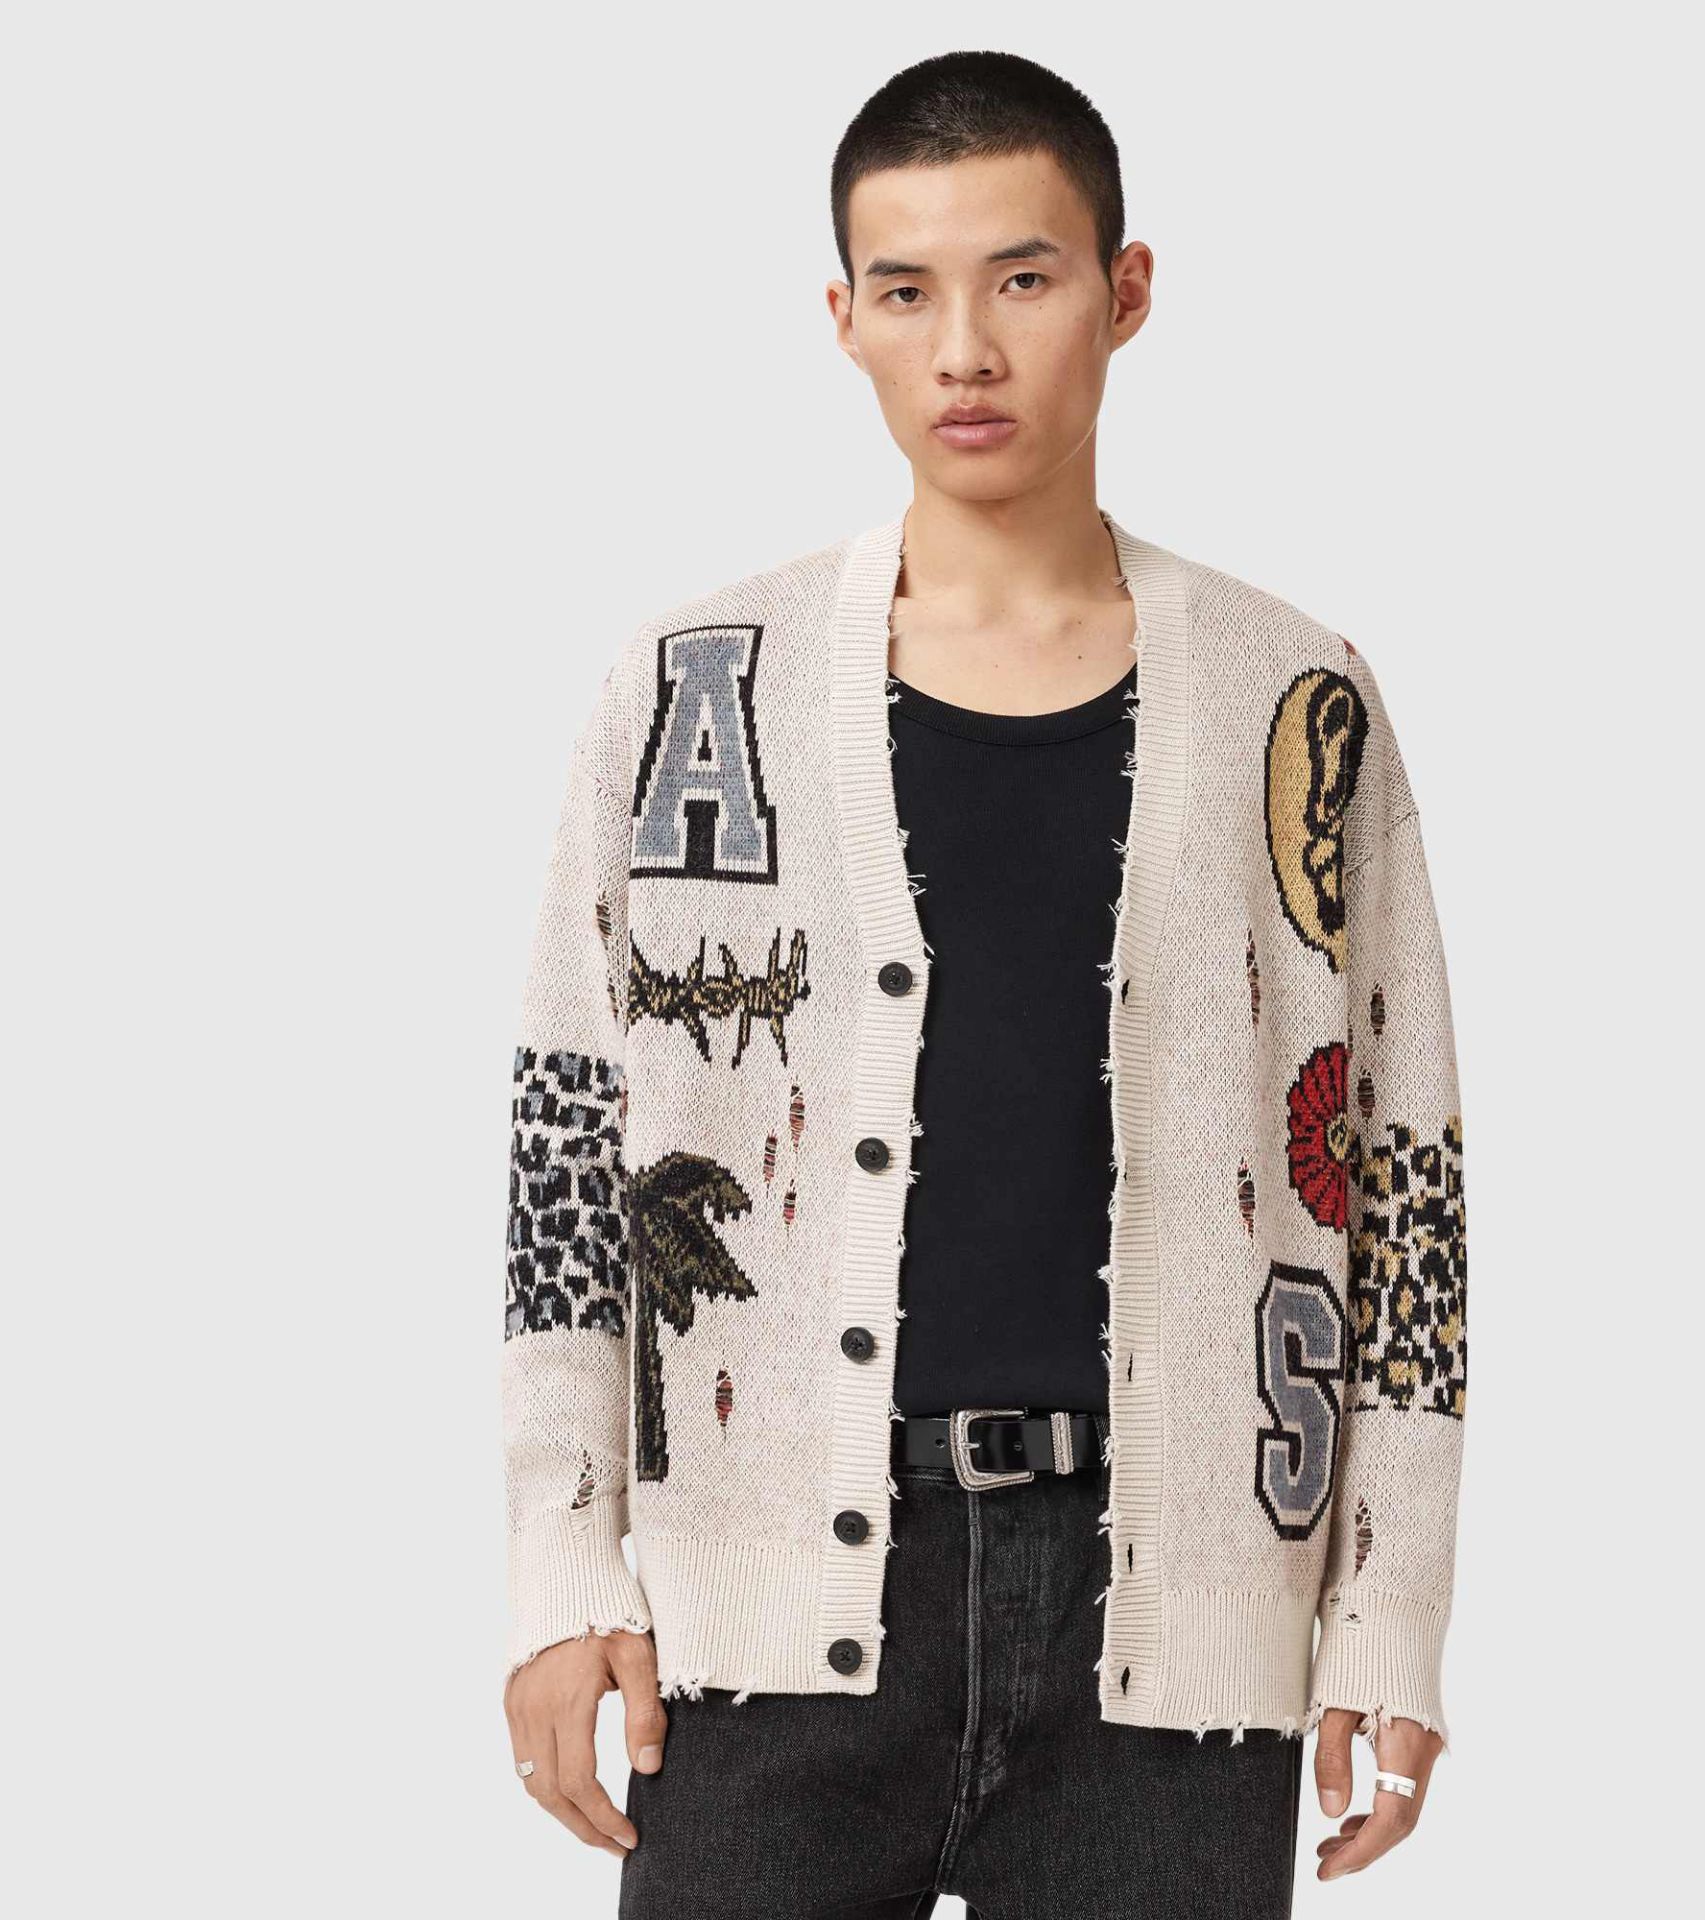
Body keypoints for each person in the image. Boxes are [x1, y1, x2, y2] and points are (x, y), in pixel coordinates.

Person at [499, 48, 1468, 1919]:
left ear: (1125, 291)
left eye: (1023, 279)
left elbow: (1407, 1179)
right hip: (758, 1624)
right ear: (843, 319)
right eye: (907, 291)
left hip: (1172, 1634)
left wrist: (1387, 1613)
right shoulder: (695, 684)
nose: (965, 351)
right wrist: (562, 1570)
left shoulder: (1295, 695)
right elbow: (566, 1144)